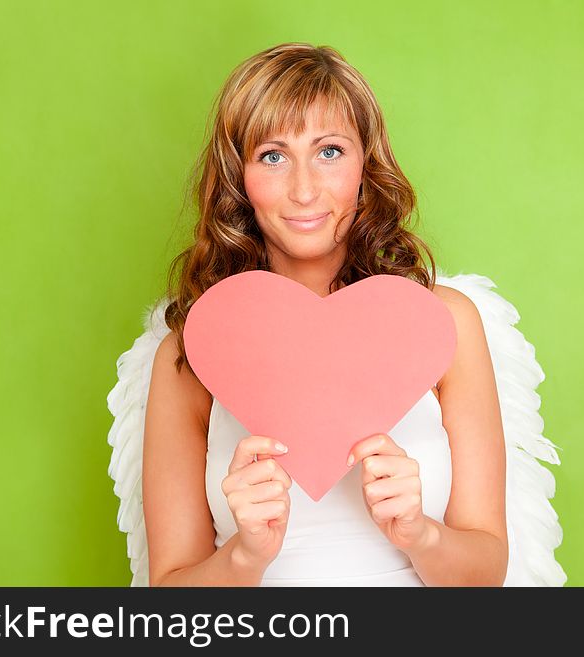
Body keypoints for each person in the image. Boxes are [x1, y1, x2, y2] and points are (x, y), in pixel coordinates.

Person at [142, 42, 509, 586]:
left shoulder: (446, 322)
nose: (305, 188)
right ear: (238, 178)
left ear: (366, 163)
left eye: (330, 151)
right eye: (272, 155)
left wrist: (417, 532)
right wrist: (246, 554)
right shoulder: (191, 348)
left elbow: (488, 576)